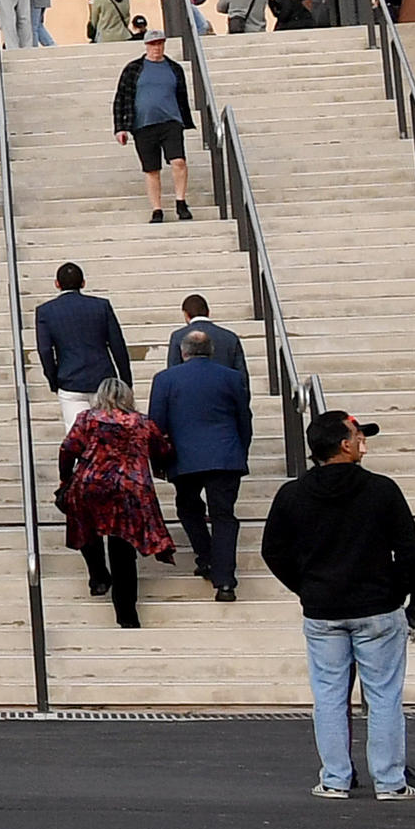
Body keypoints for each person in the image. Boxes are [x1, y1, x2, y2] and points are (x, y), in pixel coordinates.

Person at [261, 409, 415, 799]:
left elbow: (273, 551)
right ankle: (389, 780)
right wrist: (397, 590)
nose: (362, 442)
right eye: (358, 436)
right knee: (384, 696)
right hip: (378, 607)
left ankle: (335, 777)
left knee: (330, 696)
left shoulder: (292, 494)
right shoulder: (382, 490)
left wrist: (306, 587)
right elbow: (407, 548)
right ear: (345, 444)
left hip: (323, 609)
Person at [144, 320, 252, 599]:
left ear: (183, 352)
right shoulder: (231, 377)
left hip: (184, 458)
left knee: (188, 509)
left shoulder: (165, 379)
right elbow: (244, 418)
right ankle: (225, 581)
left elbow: (156, 424)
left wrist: (158, 461)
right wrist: (242, 450)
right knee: (224, 516)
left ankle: (205, 557)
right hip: (225, 455)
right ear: (211, 350)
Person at [57, 378, 171, 627]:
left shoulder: (87, 418)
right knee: (123, 554)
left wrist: (65, 479)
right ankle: (126, 615)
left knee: (87, 531)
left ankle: (98, 575)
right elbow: (162, 450)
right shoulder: (141, 422)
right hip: (129, 490)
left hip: (90, 485)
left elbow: (67, 449)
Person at [110, 33, 197, 223]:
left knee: (178, 161)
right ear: (146, 46)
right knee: (151, 169)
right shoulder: (133, 69)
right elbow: (121, 98)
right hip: (143, 125)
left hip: (171, 122)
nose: (156, 48)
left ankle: (181, 201)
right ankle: (157, 208)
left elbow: (181, 95)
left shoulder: (174, 68)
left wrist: (184, 119)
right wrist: (120, 127)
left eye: (159, 44)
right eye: (152, 44)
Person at [33, 262, 132, 423]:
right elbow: (118, 345)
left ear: (57, 284)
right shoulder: (101, 306)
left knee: (76, 435)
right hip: (102, 379)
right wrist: (126, 380)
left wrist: (53, 380)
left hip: (69, 381)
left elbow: (45, 350)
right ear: (83, 283)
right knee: (107, 433)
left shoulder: (46, 311)